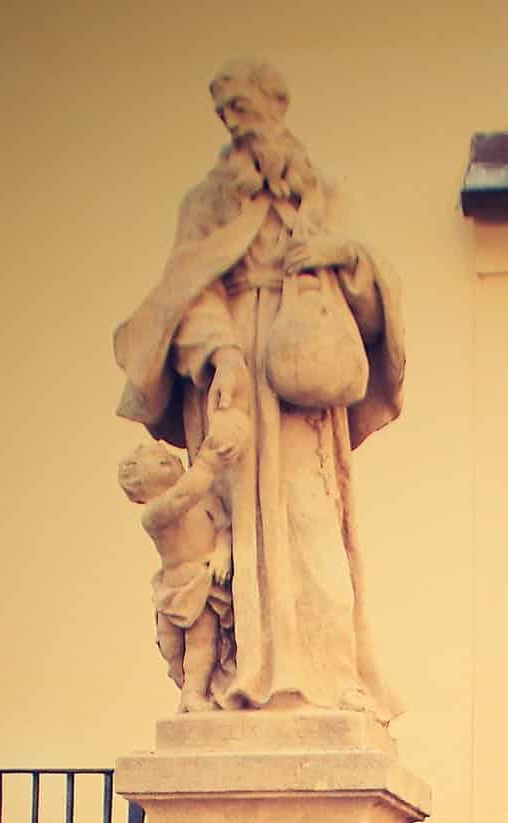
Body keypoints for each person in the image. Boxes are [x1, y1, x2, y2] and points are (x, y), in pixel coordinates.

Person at [114, 58, 405, 721]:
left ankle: (330, 679)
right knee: (233, 532)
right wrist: (220, 354)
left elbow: (371, 304)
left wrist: (341, 258)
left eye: (242, 108)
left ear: (275, 107)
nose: (233, 124)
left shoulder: (323, 197)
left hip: (301, 382)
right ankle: (238, 677)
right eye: (224, 114)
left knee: (310, 523)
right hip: (232, 386)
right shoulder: (205, 204)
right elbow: (185, 294)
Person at [118, 411, 249, 712]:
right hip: (170, 590)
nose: (168, 457)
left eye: (169, 457)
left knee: (202, 641)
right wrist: (209, 461)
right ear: (140, 489)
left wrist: (221, 553)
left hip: (201, 585)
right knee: (170, 646)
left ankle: (194, 691)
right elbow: (182, 497)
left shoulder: (206, 500)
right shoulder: (154, 515)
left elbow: (225, 528)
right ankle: (186, 688)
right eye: (159, 460)